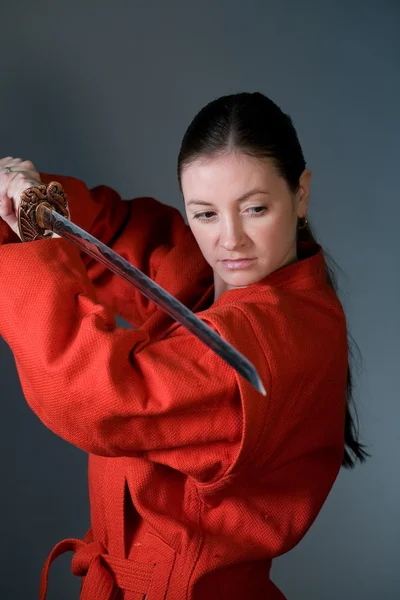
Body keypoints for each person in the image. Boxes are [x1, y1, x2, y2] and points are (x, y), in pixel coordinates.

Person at [0, 92, 366, 600]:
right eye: (206, 213)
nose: (230, 240)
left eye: (255, 208)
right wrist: (31, 201)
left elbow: (98, 395)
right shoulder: (226, 275)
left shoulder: (270, 339)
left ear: (299, 194)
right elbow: (125, 235)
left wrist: (26, 245)